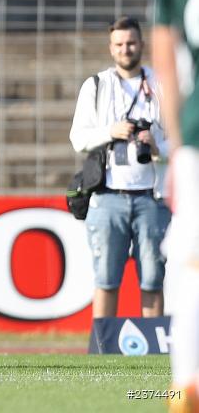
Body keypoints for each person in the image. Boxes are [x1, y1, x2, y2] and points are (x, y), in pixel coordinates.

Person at [69, 17, 170, 319]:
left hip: (152, 197)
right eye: (119, 44)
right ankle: (103, 355)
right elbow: (78, 139)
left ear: (141, 44)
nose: (126, 49)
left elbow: (181, 141)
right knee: (106, 281)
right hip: (108, 195)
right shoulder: (97, 85)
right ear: (111, 48)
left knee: (152, 280)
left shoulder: (161, 83)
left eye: (131, 43)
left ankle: (153, 357)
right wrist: (110, 132)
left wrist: (156, 146)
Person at [150, 0, 199, 412]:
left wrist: (179, 144)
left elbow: (165, 52)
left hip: (198, 132)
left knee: (188, 259)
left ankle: (186, 383)